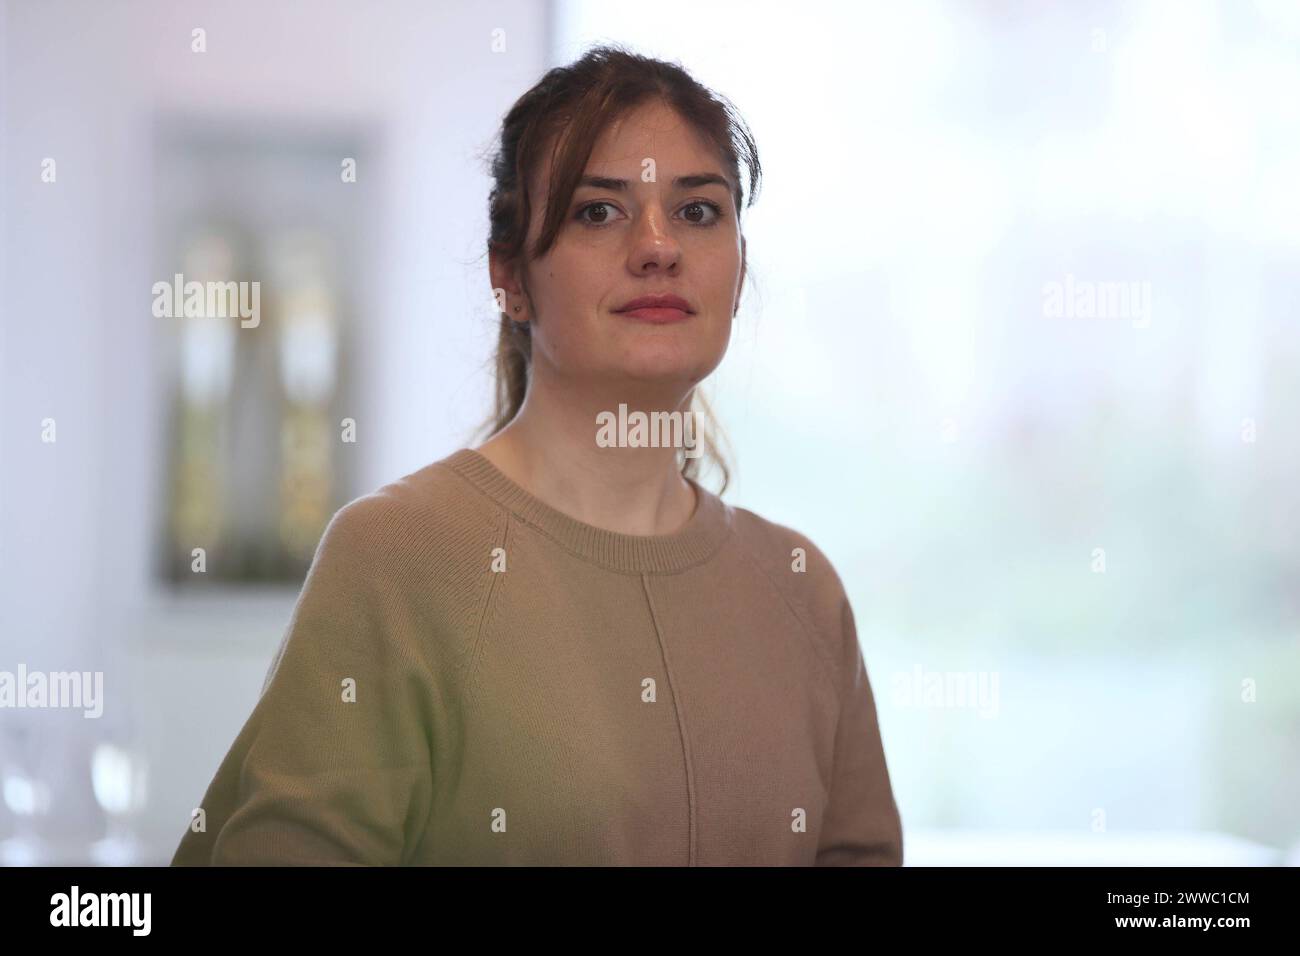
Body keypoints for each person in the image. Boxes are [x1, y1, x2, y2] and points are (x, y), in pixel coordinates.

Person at [171, 43, 902, 866]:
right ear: (510, 277)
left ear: (737, 271)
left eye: (698, 211)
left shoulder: (803, 592)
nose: (658, 246)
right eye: (600, 210)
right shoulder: (399, 558)